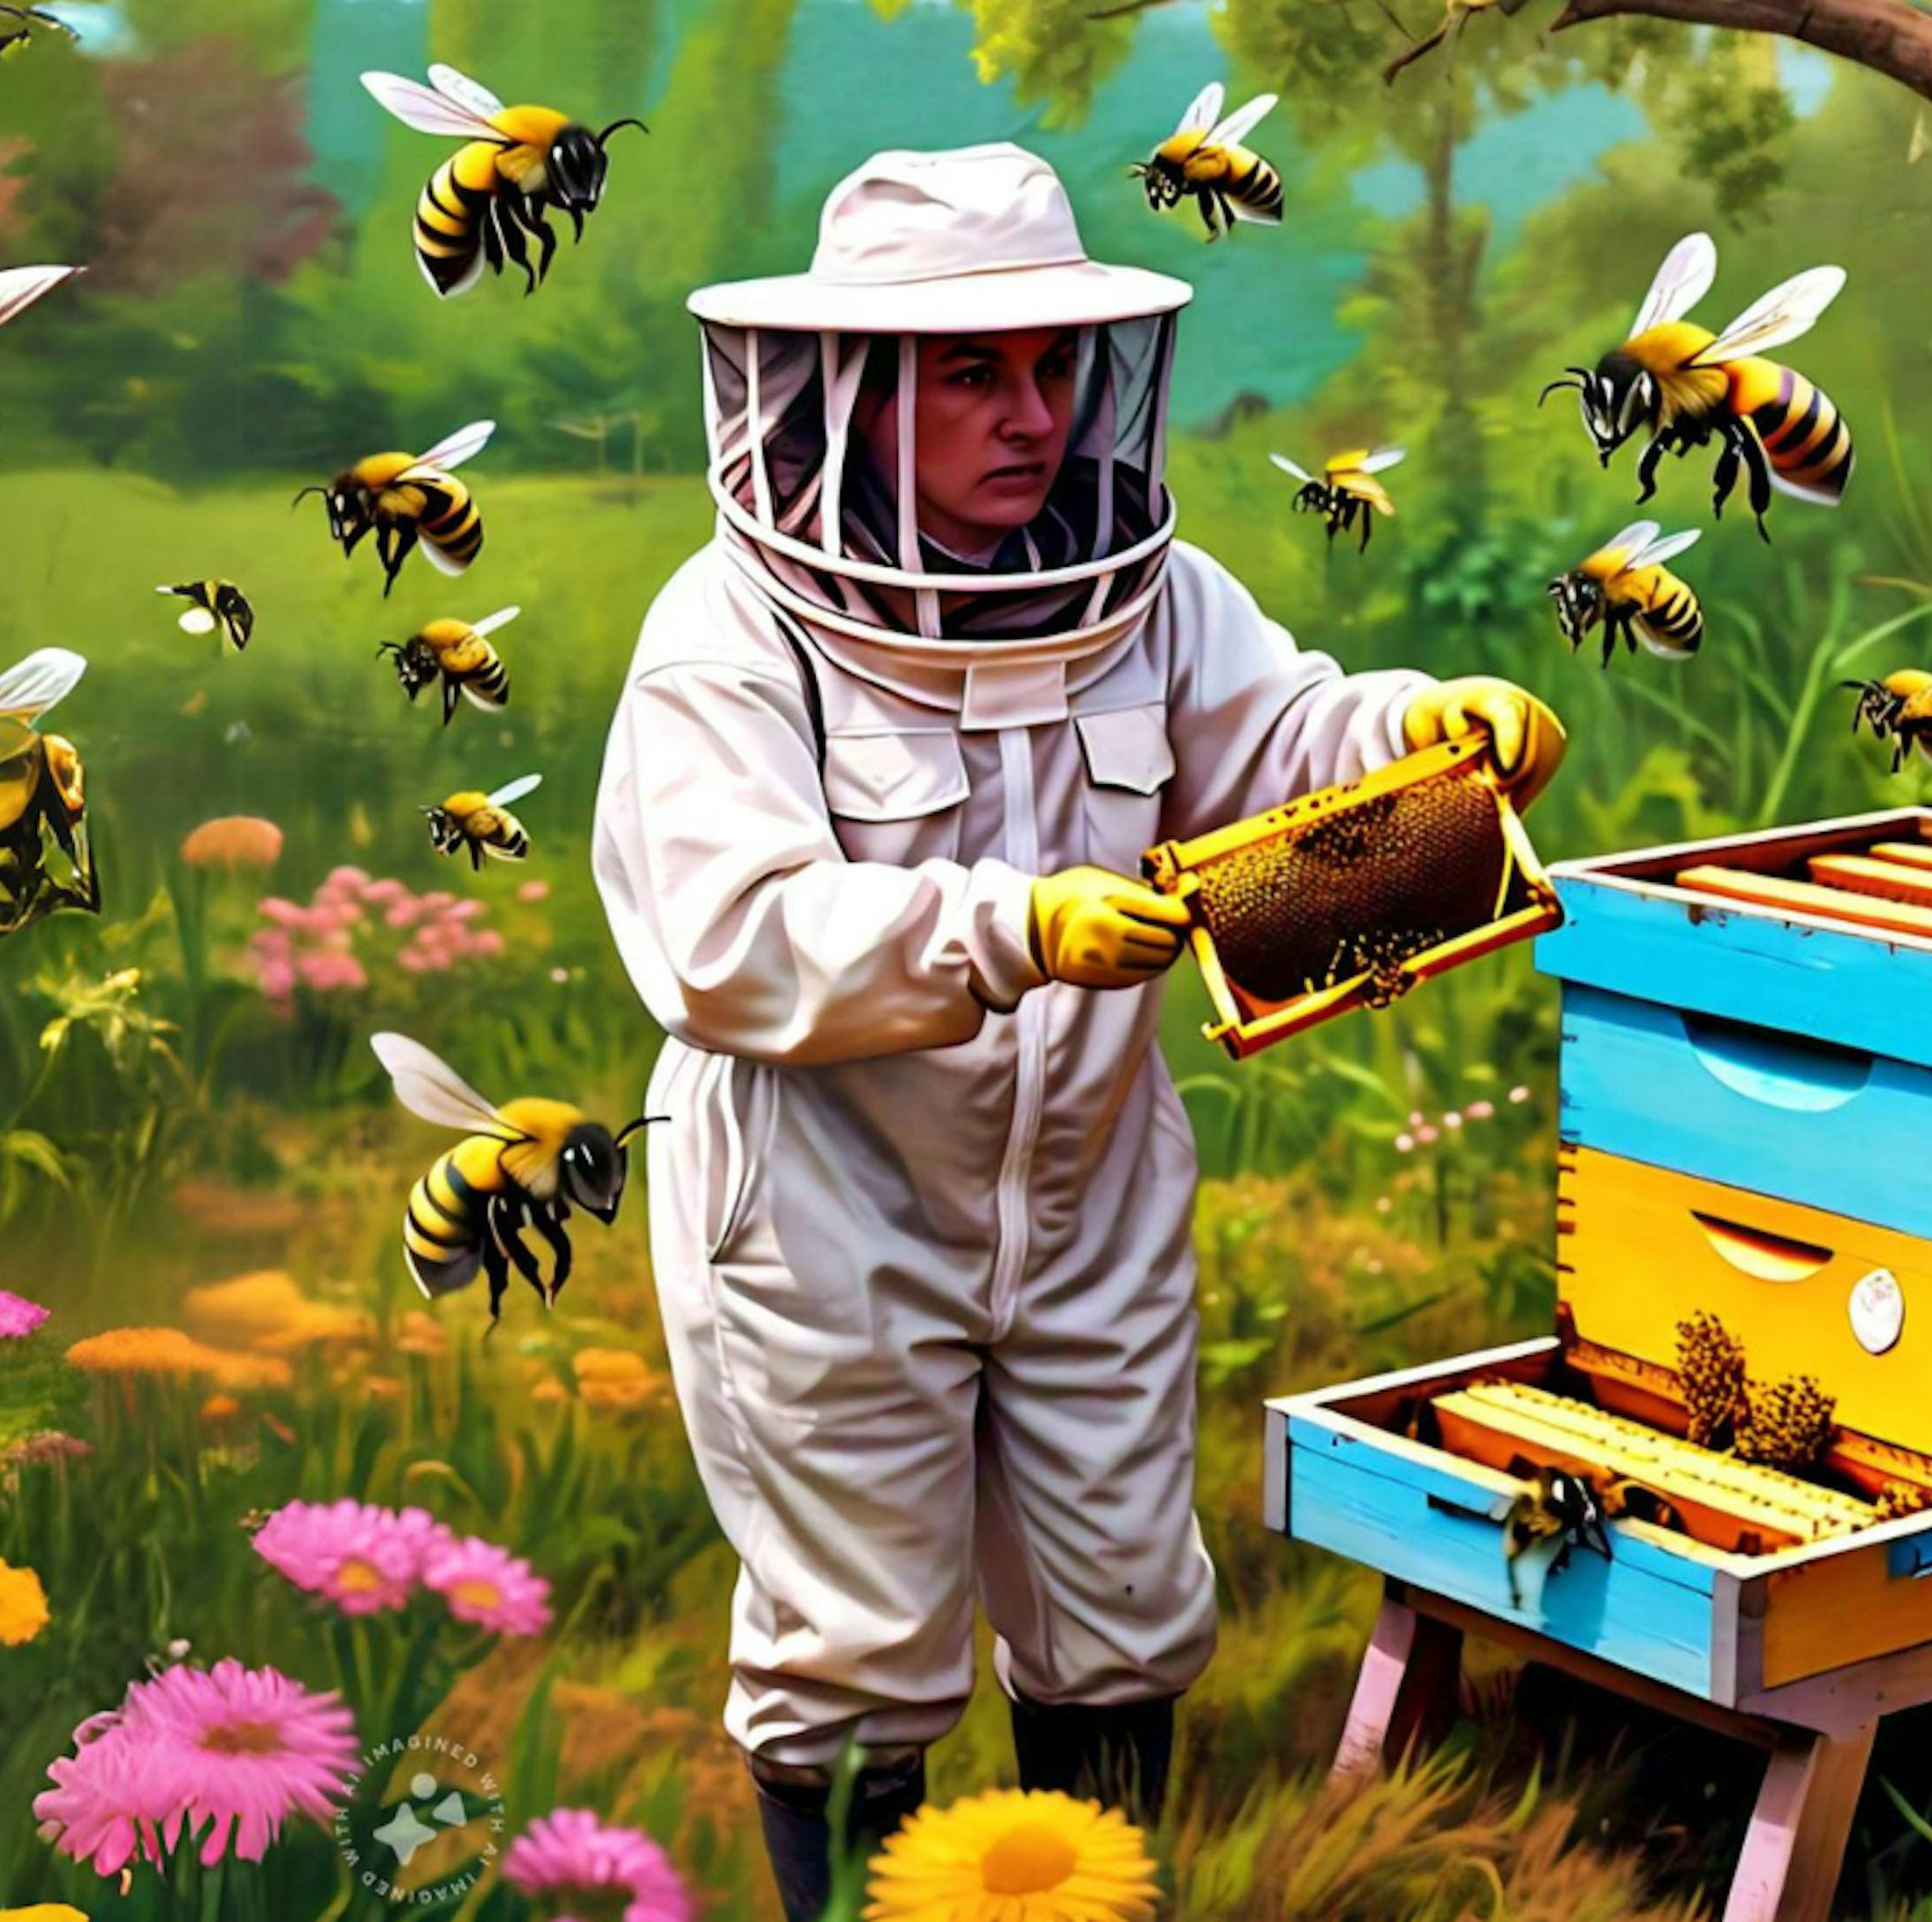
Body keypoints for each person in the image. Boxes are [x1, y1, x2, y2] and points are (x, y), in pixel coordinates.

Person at [590, 143, 1566, 1917]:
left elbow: (1281, 740)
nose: (1033, 413)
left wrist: (1436, 730)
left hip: (1094, 1185)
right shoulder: (731, 634)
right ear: (856, 389)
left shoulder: (1148, 587)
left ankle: (1094, 1896)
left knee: (1120, 1596)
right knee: (859, 1630)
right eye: (975, 371)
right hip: (825, 1208)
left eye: (1054, 364)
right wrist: (1007, 926)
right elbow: (724, 937)